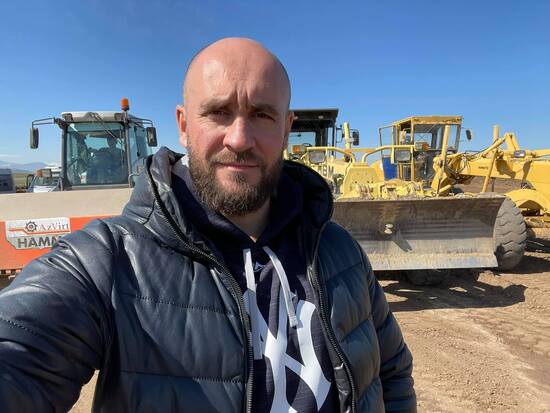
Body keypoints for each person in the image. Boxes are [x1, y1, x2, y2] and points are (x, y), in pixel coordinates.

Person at [0, 38, 415, 412]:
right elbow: (19, 355)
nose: (239, 138)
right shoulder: (109, 262)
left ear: (287, 129)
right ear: (183, 125)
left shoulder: (340, 251)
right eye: (219, 112)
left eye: (262, 114)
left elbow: (392, 373)